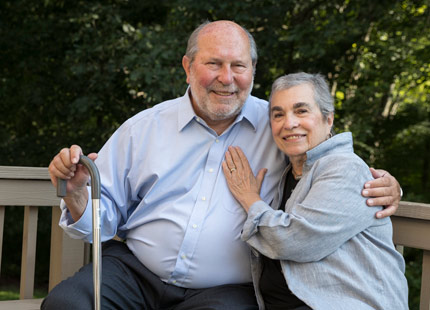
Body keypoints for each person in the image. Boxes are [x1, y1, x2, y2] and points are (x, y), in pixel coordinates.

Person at [44, 21, 402, 310]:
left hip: (227, 290)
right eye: (213, 64)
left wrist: (387, 184)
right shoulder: (144, 129)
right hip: (136, 272)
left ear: (253, 70)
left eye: (238, 66)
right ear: (188, 67)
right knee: (65, 304)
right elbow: (99, 223)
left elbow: (330, 161)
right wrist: (77, 197)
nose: (226, 78)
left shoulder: (278, 125)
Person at [222, 72, 408, 310]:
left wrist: (250, 199)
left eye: (301, 111)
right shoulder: (287, 172)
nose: (289, 123)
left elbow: (295, 242)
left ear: (328, 119)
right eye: (278, 114)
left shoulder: (345, 168)